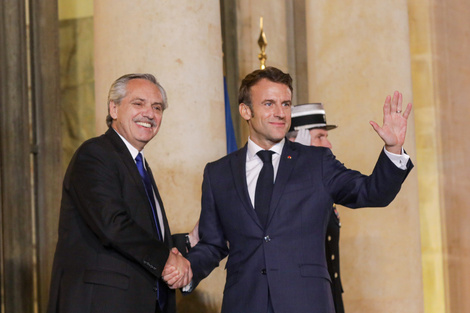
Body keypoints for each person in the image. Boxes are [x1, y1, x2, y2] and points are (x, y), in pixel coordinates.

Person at [174, 66, 413, 313]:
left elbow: (372, 192)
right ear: (246, 110)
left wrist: (393, 149)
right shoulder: (218, 173)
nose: (280, 113)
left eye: (286, 104)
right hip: (244, 303)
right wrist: (188, 269)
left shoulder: (317, 162)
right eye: (269, 104)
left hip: (306, 303)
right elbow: (213, 243)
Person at [47, 73, 192, 313]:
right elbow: (113, 225)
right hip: (103, 303)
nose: (149, 113)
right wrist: (166, 259)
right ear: (114, 109)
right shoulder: (95, 154)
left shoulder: (139, 166)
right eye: (138, 103)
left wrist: (187, 242)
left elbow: (141, 233)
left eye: (157, 107)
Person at [286, 103, 344, 313]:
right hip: (300, 300)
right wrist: (296, 162)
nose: (328, 144)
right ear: (295, 140)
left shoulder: (322, 183)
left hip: (327, 295)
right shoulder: (283, 184)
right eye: (319, 137)